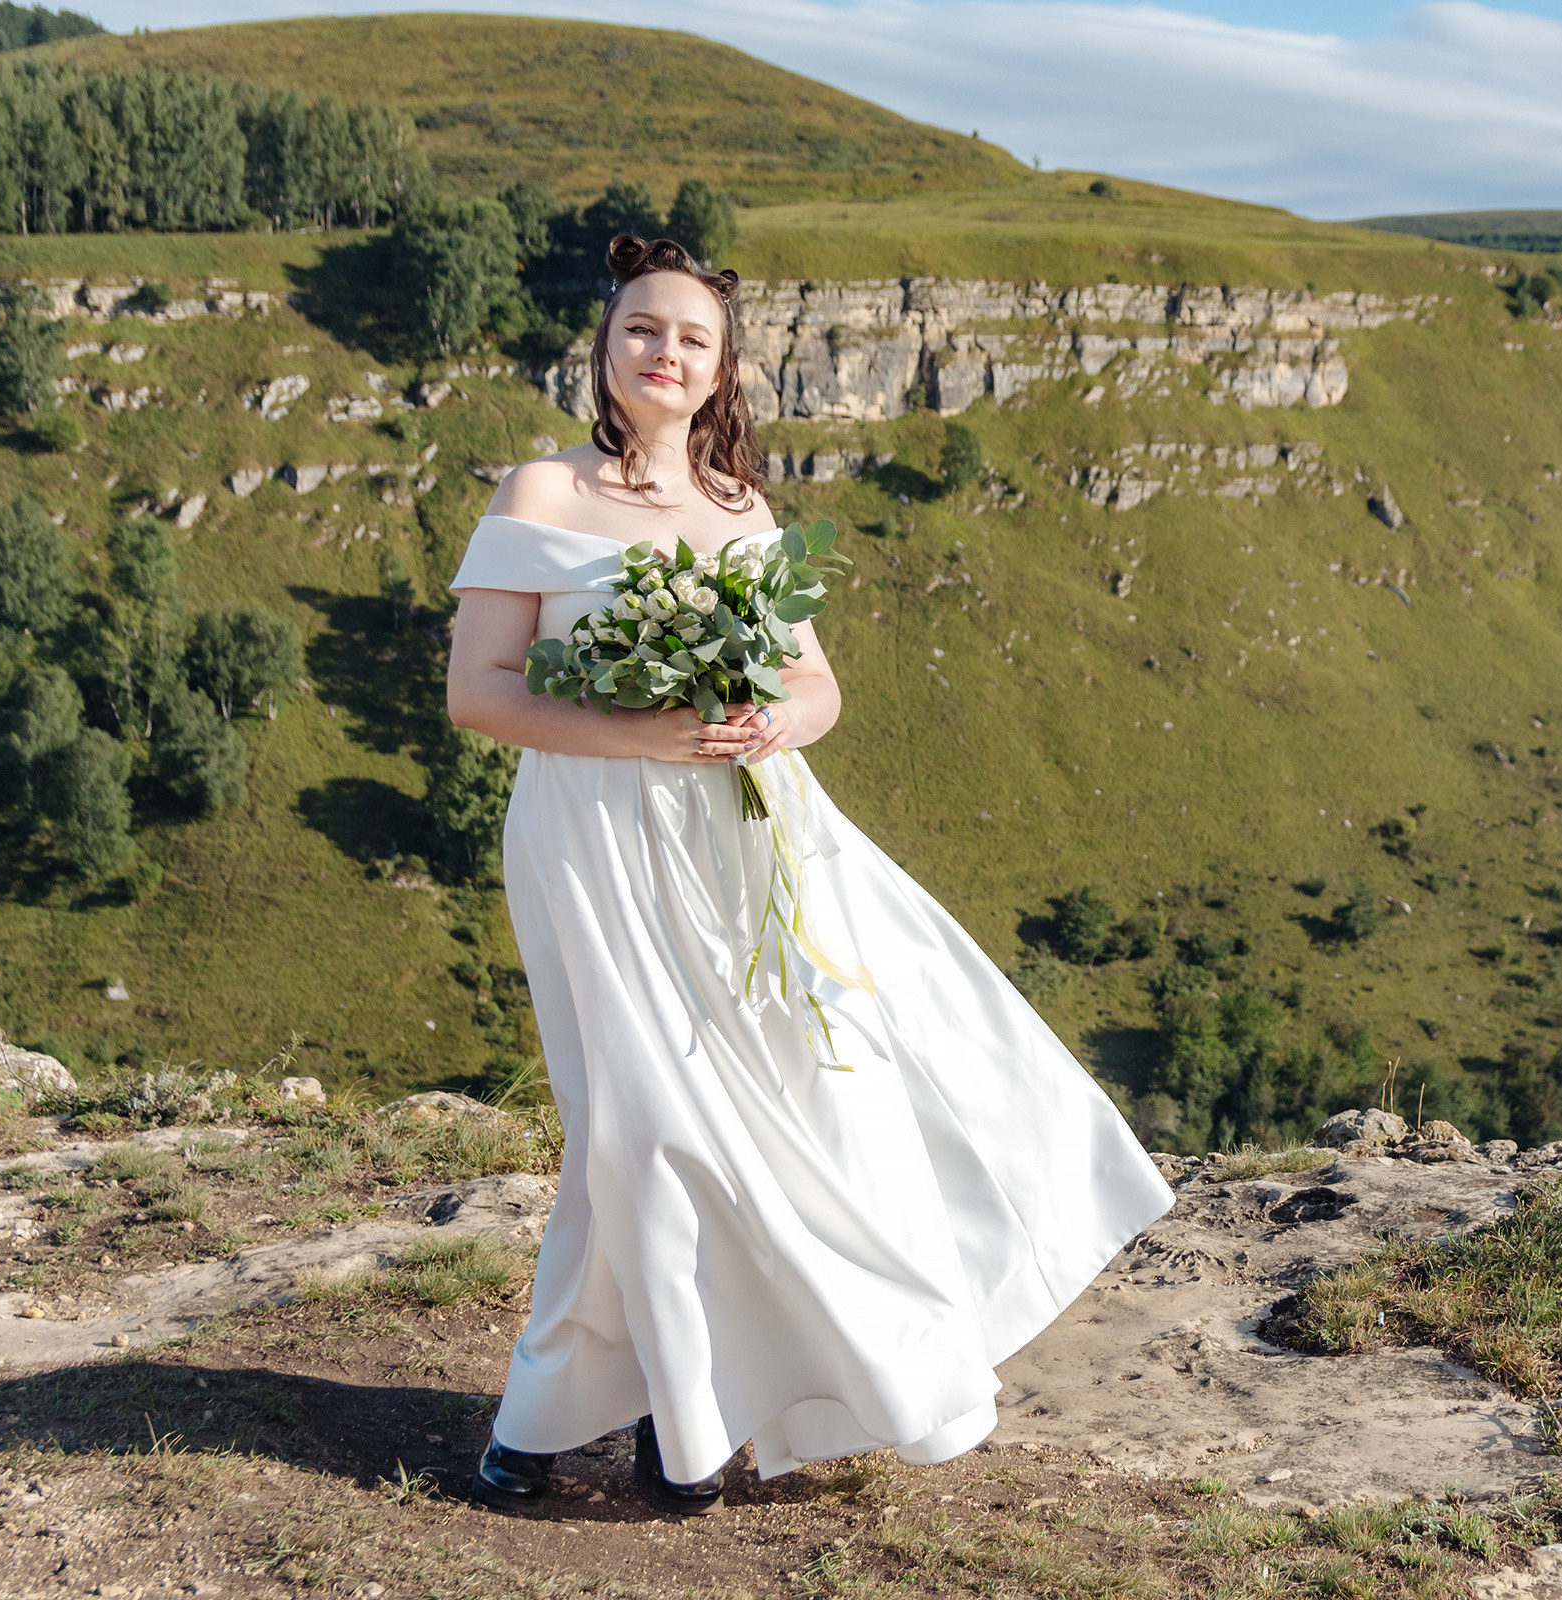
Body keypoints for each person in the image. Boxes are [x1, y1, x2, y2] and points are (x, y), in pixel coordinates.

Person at [444, 234, 1174, 1516]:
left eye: (691, 338)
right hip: (592, 842)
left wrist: (769, 723)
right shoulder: (538, 493)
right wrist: (642, 731)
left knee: (722, 1120)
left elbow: (818, 683)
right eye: (639, 329)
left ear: (722, 370)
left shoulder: (740, 510)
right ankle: (663, 1422)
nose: (662, 352)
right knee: (646, 1122)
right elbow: (477, 693)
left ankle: (576, 1415)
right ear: (602, 350)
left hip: (745, 836)